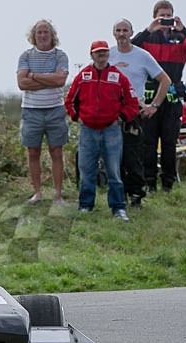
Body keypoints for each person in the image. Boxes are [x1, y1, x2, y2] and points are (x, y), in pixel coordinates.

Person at [132, 1, 186, 193]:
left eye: (168, 15)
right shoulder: (148, 38)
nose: (165, 19)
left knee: (169, 142)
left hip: (172, 96)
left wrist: (184, 29)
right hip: (151, 96)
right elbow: (130, 48)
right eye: (161, 16)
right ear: (155, 16)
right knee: (148, 142)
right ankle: (149, 182)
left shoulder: (181, 39)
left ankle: (167, 183)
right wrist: (148, 30)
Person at [65, 41, 140, 221]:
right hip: (88, 130)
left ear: (108, 54)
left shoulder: (118, 77)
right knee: (86, 170)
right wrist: (76, 117)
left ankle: (118, 208)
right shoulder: (83, 76)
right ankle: (85, 205)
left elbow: (132, 103)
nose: (102, 55)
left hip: (111, 130)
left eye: (105, 52)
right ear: (92, 55)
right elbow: (69, 101)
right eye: (98, 52)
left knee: (114, 170)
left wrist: (120, 118)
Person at [109, 18, 171, 208]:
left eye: (125, 30)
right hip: (111, 113)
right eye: (118, 30)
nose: (122, 34)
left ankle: (136, 194)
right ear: (114, 33)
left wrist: (154, 106)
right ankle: (119, 195)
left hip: (134, 111)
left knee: (133, 155)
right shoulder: (108, 54)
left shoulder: (142, 56)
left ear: (131, 33)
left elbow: (165, 81)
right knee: (114, 156)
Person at [17, 19, 70, 205]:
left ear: (52, 35)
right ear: (34, 35)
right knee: (33, 151)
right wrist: (48, 78)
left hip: (55, 109)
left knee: (56, 151)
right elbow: (22, 83)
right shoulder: (25, 56)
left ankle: (57, 194)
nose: (42, 35)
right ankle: (37, 193)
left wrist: (33, 75)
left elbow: (60, 81)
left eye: (46, 31)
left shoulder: (60, 56)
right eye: (39, 32)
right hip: (31, 110)